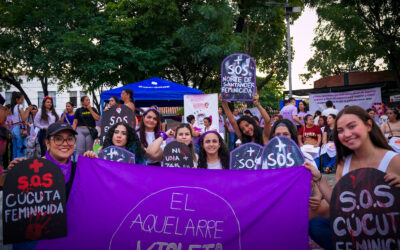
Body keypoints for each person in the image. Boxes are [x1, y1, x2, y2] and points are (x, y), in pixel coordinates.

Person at [306, 106, 400, 250]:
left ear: (369, 125)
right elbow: (337, 203)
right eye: (340, 131)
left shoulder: (393, 160)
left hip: (387, 235)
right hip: (354, 231)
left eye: (352, 126)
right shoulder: (344, 163)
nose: (346, 134)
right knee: (316, 225)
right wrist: (318, 178)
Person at [6, 122, 78, 250]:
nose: (65, 143)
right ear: (47, 143)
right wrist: (17, 173)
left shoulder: (80, 169)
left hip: (71, 239)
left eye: (70, 138)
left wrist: (93, 160)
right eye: (58, 138)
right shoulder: (31, 170)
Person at [10, 92, 33, 159]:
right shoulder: (20, 106)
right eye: (22, 99)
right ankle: (20, 165)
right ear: (17, 99)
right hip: (20, 129)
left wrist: (25, 111)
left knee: (15, 149)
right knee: (22, 148)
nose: (22, 101)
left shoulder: (13, 107)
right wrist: (28, 111)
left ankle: (13, 165)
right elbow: (24, 119)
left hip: (14, 128)